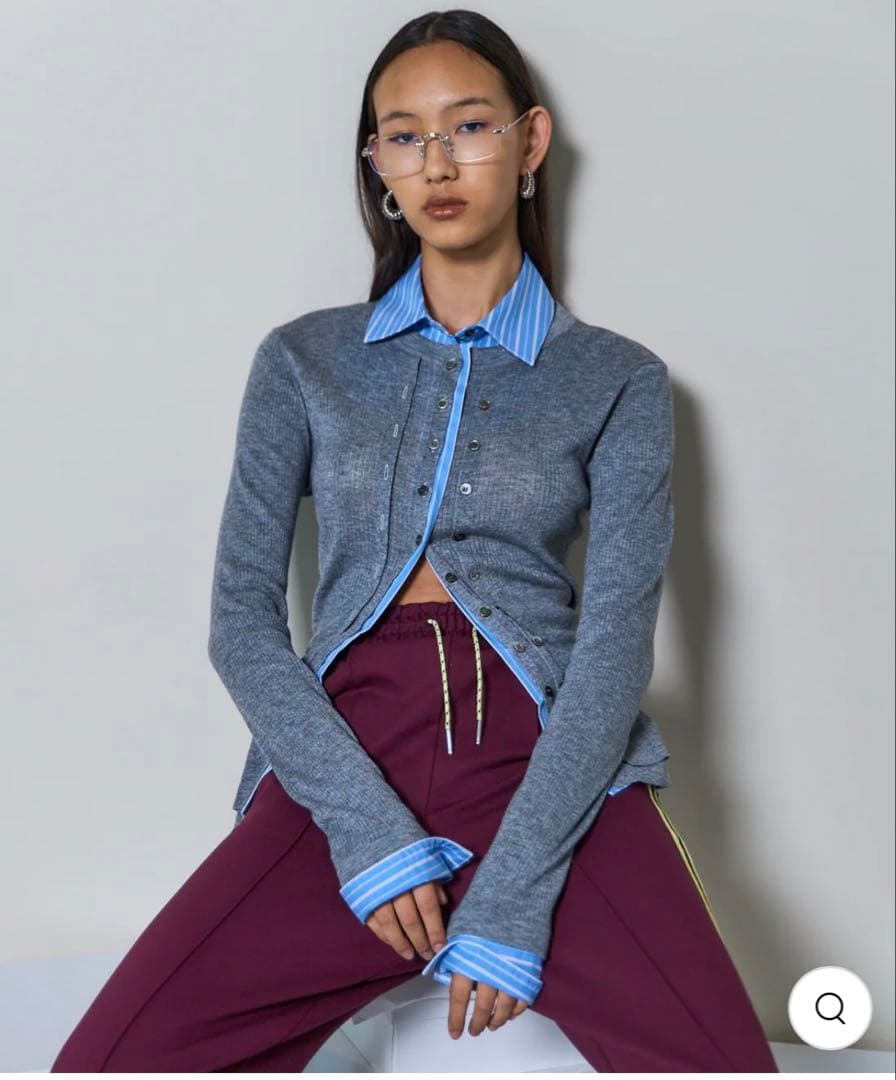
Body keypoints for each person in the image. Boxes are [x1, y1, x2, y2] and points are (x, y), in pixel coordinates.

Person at [51, 9, 778, 1073]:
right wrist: (367, 836)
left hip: (548, 756)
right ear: (377, 165)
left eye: (469, 126)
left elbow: (616, 646)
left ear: (529, 144)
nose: (437, 162)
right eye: (403, 135)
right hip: (348, 752)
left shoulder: (616, 379)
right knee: (112, 1061)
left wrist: (519, 889)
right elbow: (239, 621)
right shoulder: (302, 361)